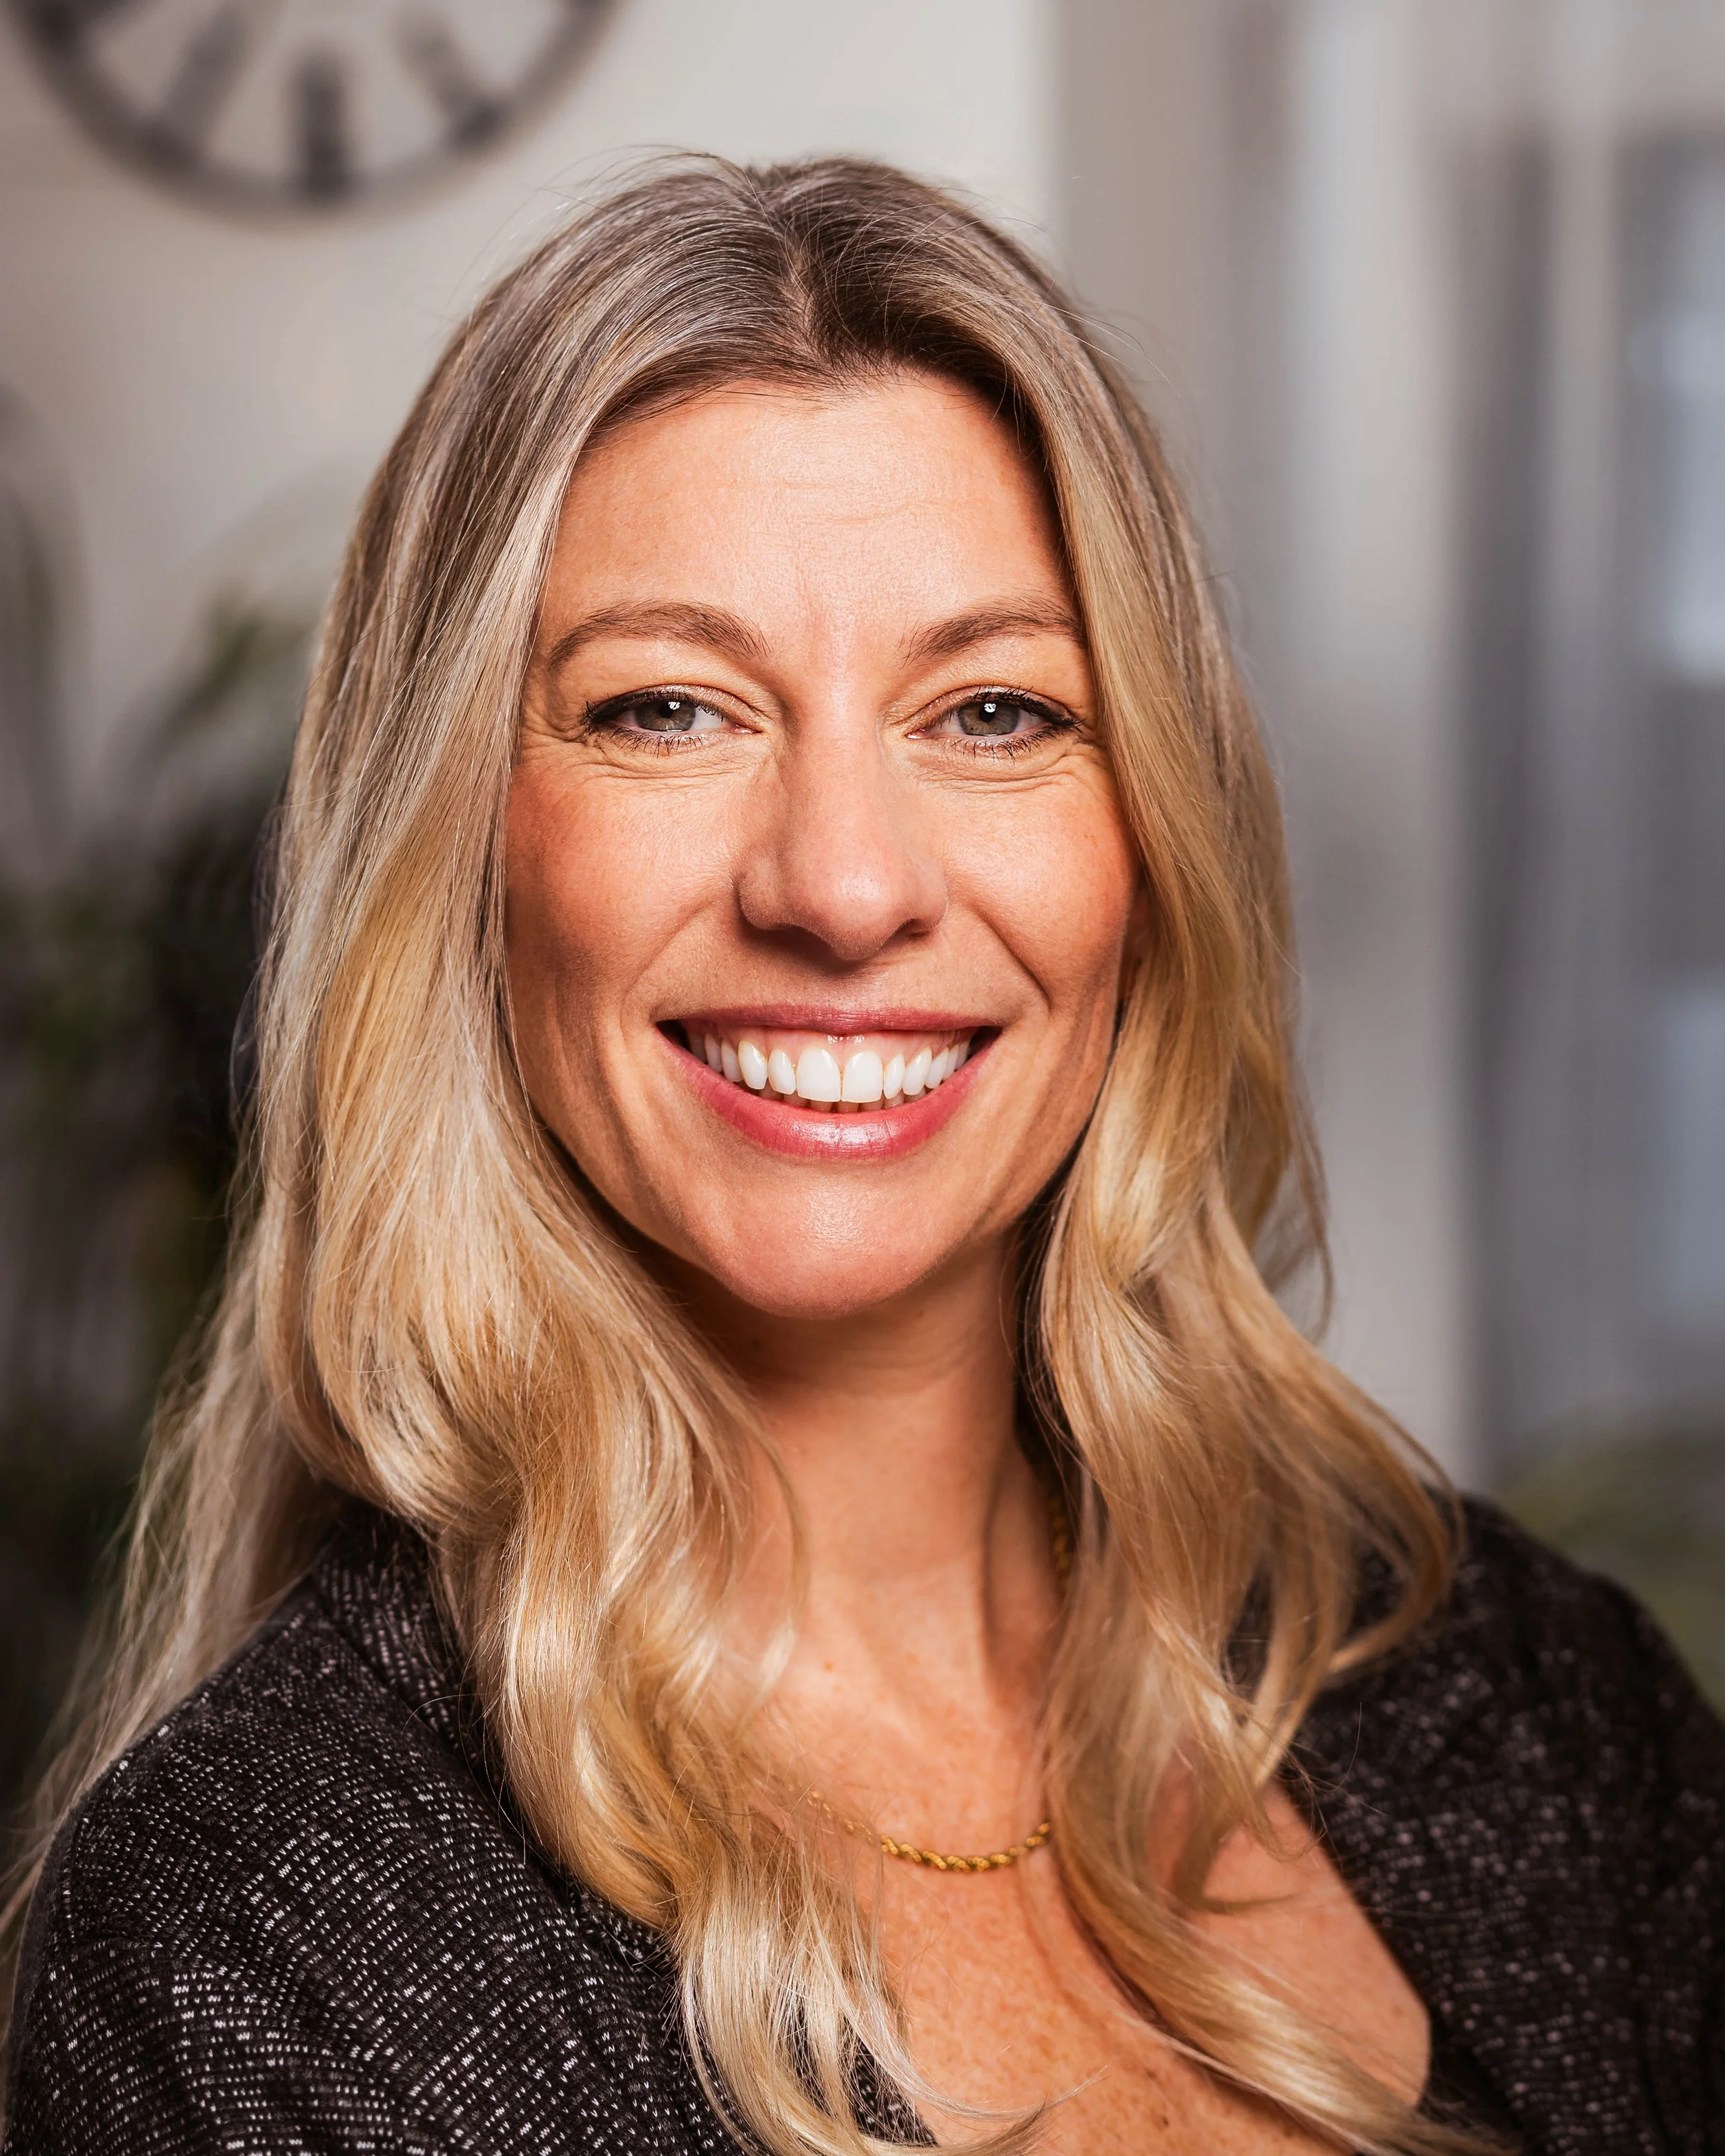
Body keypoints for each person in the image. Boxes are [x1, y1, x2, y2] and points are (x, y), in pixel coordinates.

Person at [1, 157, 1719, 2156]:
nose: (839, 883)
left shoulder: (1529, 1706)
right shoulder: (259, 1932)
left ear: (1147, 847)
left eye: (993, 710)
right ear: (457, 857)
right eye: (666, 707)